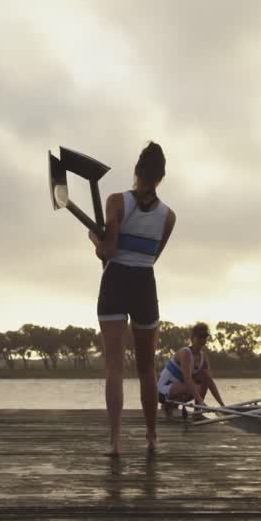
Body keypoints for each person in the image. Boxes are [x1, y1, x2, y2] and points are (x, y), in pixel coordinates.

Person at [89, 142, 176, 458]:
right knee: (146, 369)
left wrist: (94, 238)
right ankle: (152, 437)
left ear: (136, 171)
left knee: (114, 366)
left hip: (115, 280)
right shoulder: (169, 217)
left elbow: (107, 252)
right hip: (143, 283)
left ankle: (115, 441)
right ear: (161, 177)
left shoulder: (116, 202)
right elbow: (152, 257)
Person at [158, 322, 224, 414]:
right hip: (162, 391)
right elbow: (188, 379)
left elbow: (210, 382)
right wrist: (201, 400)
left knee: (206, 376)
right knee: (194, 387)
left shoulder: (203, 357)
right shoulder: (185, 353)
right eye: (200, 337)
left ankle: (197, 413)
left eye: (204, 337)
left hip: (180, 388)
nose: (202, 339)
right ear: (192, 339)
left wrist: (222, 405)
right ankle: (196, 405)